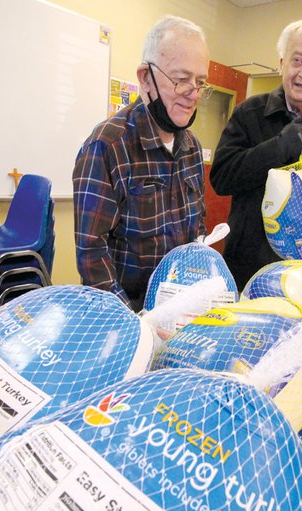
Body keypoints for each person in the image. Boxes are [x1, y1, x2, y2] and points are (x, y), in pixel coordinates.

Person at [209, 17, 302, 290]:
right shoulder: (249, 113)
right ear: (281, 63)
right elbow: (221, 179)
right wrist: (276, 149)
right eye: (296, 59)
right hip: (244, 271)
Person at [73, 16, 211, 310]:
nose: (194, 93)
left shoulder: (192, 148)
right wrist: (136, 323)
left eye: (200, 82)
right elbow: (92, 254)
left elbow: (196, 226)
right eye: (181, 79)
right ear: (145, 77)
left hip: (179, 309)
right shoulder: (107, 146)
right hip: (127, 314)